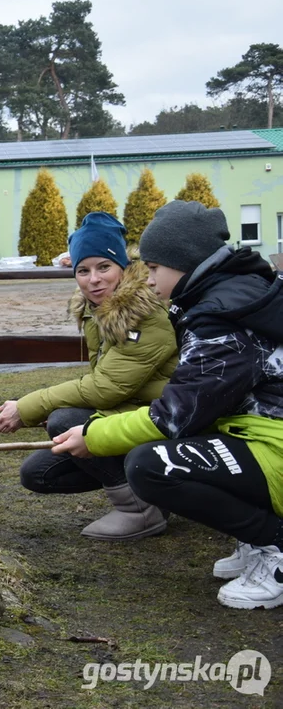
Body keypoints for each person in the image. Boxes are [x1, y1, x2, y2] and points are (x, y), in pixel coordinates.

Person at [53, 200, 283, 609]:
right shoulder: (230, 295)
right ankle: (256, 539)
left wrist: (95, 433)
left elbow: (177, 413)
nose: (150, 278)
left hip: (274, 445)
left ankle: (275, 546)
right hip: (257, 433)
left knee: (151, 466)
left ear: (184, 262)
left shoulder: (222, 317)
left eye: (155, 268)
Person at [0, 212, 177, 540]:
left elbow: (106, 388)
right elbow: (111, 381)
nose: (94, 280)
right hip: (134, 410)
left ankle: (141, 511)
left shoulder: (146, 312)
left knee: (64, 420)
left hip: (170, 421)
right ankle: (156, 494)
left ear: (123, 268)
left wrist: (31, 406)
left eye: (104, 267)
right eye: (83, 270)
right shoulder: (96, 310)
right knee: (38, 473)